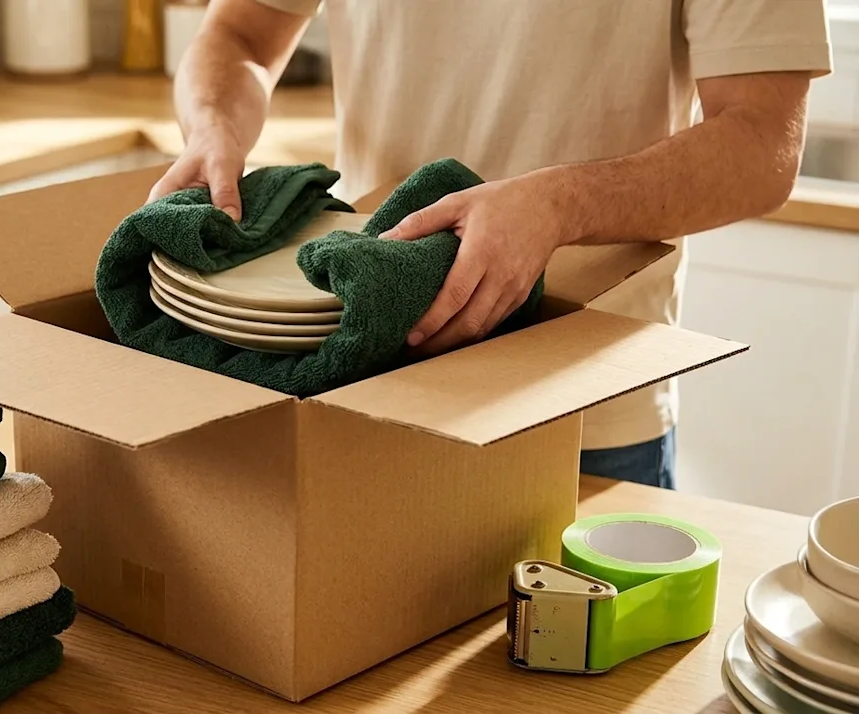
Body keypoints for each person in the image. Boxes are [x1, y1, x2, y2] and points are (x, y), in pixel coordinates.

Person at [148, 0, 832, 489]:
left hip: (583, 407)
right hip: (367, 372)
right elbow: (239, 31)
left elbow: (762, 142)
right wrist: (212, 126)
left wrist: (561, 204)